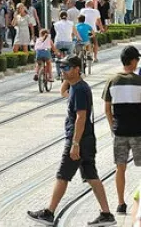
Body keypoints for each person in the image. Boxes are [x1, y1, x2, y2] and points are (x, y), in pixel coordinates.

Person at [27, 56, 116, 226]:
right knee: (91, 176)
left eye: (67, 68)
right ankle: (106, 214)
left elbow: (81, 117)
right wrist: (66, 78)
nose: (63, 71)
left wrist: (75, 143)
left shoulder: (80, 90)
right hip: (86, 139)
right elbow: (63, 93)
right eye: (61, 68)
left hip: (79, 139)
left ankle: (49, 212)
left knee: (63, 175)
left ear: (77, 69)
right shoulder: (76, 87)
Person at [103, 46, 141, 215]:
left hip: (120, 132)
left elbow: (107, 109)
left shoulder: (112, 80)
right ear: (133, 61)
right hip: (138, 131)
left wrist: (113, 127)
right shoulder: (139, 81)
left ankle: (120, 203)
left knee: (120, 168)